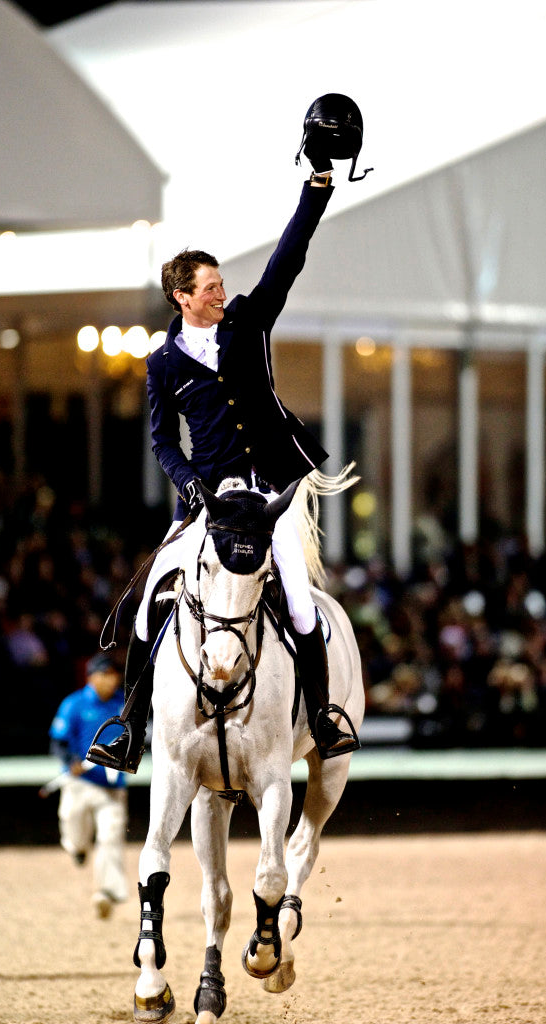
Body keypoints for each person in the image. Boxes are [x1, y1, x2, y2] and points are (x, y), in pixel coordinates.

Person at [88, 121, 361, 776]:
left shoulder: (249, 319)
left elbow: (287, 257)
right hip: (207, 498)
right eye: (207, 287)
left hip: (268, 493)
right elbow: (160, 438)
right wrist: (190, 486)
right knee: (150, 592)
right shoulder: (161, 362)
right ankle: (130, 724)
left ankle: (322, 713)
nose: (219, 291)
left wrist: (317, 184)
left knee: (297, 598)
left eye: (218, 283)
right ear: (181, 298)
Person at [48, 652, 129, 919]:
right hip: (79, 782)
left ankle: (106, 892)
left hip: (112, 787)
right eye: (105, 674)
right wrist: (70, 761)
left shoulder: (124, 706)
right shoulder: (74, 704)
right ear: (91, 676)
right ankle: (77, 848)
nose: (111, 679)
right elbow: (58, 740)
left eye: (113, 674)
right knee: (72, 821)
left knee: (110, 837)